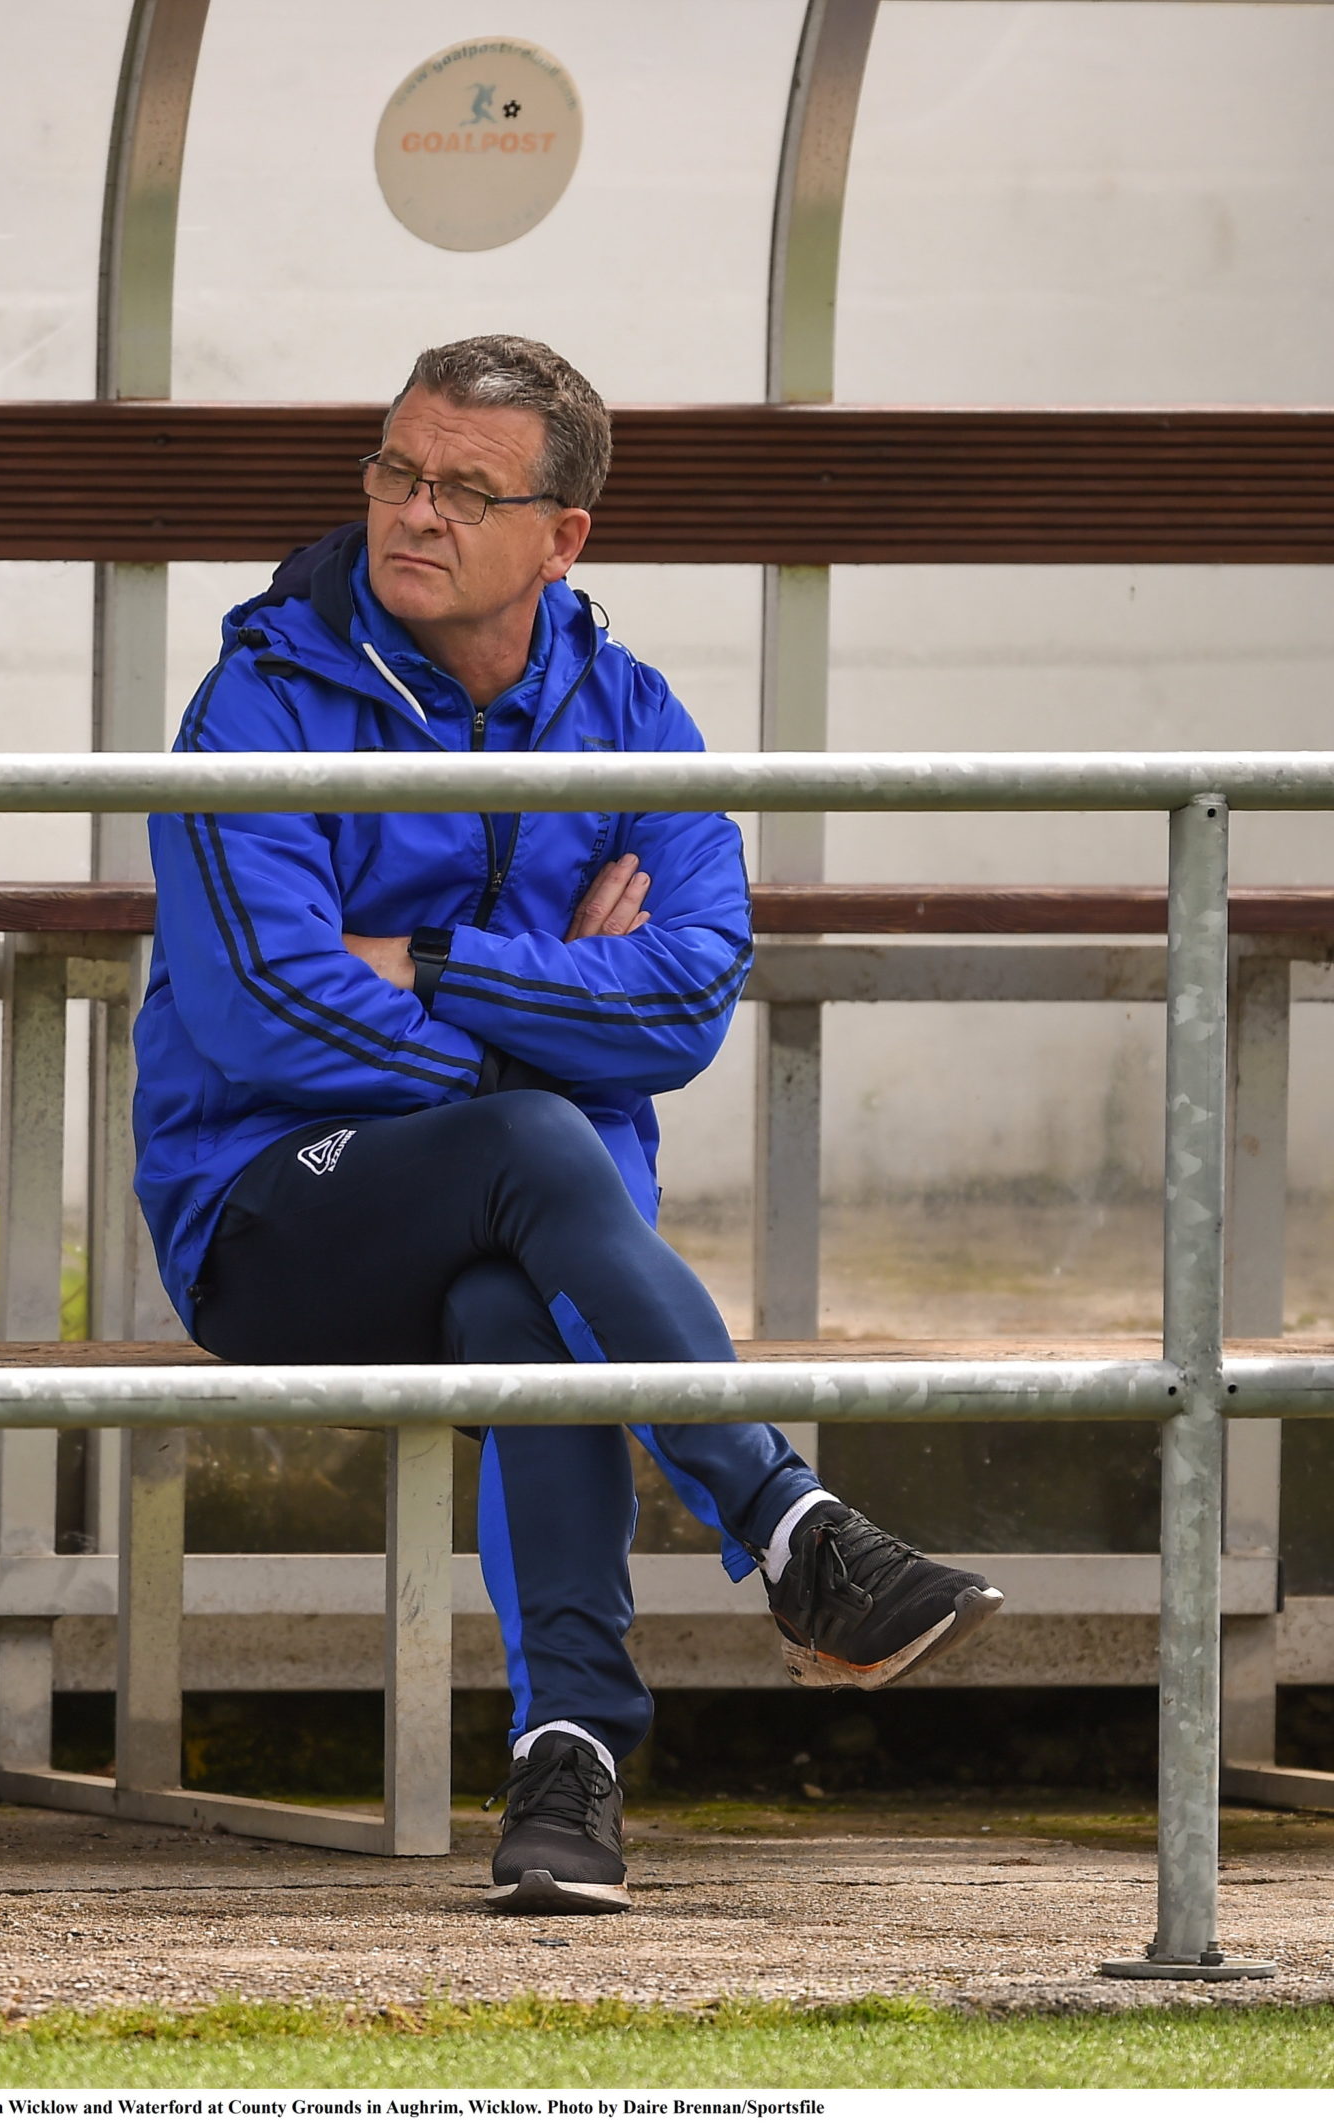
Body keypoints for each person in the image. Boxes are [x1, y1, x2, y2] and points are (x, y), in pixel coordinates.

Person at [131, 333, 1003, 1917]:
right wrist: (544, 1024)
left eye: (467, 490)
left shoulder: (630, 714)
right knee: (541, 1147)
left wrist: (437, 961)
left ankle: (567, 1769)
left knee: (517, 1303)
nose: (417, 511)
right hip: (271, 1214)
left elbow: (683, 1004)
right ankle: (786, 1524)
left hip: (532, 1237)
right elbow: (263, 1010)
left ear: (563, 536)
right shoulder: (256, 701)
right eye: (398, 471)